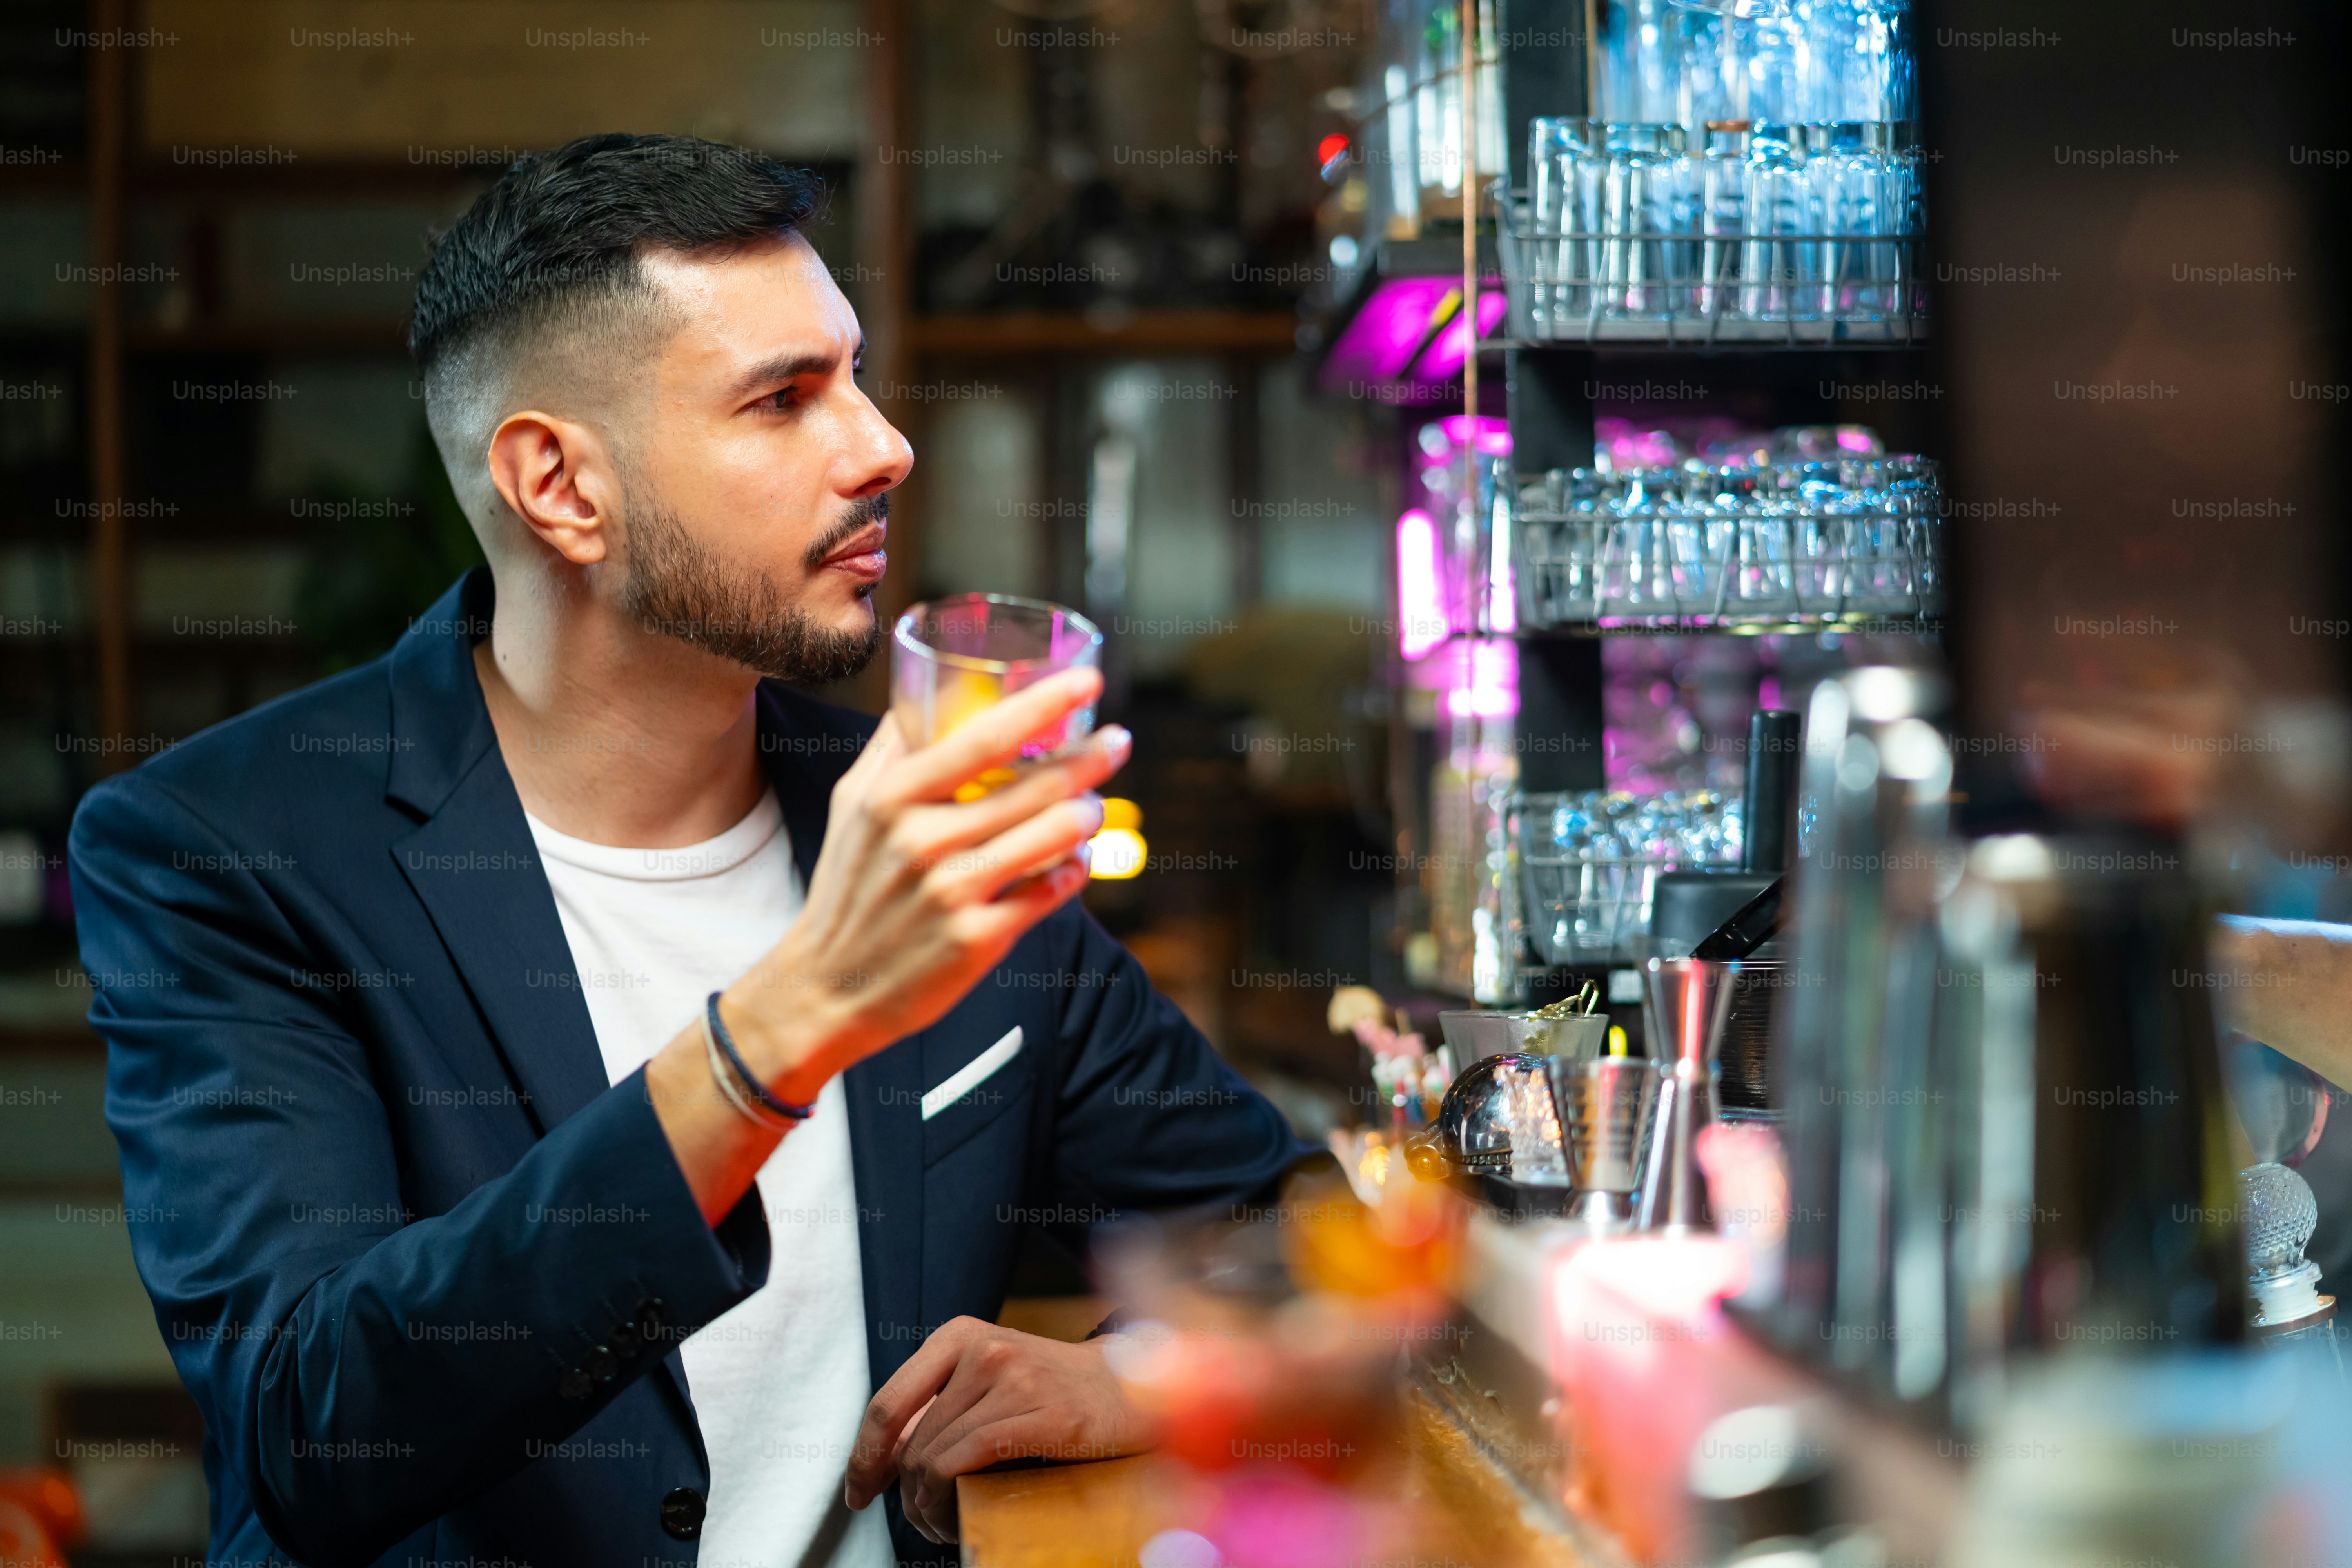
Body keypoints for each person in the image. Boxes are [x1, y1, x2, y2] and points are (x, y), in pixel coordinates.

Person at [68, 134, 1308, 1568]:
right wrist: (790, 1022)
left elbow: (1284, 1221)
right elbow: (314, 1427)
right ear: (560, 489)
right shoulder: (225, 849)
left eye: (851, 373)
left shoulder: (914, 806)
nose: (882, 442)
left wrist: (1138, 1373)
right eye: (783, 400)